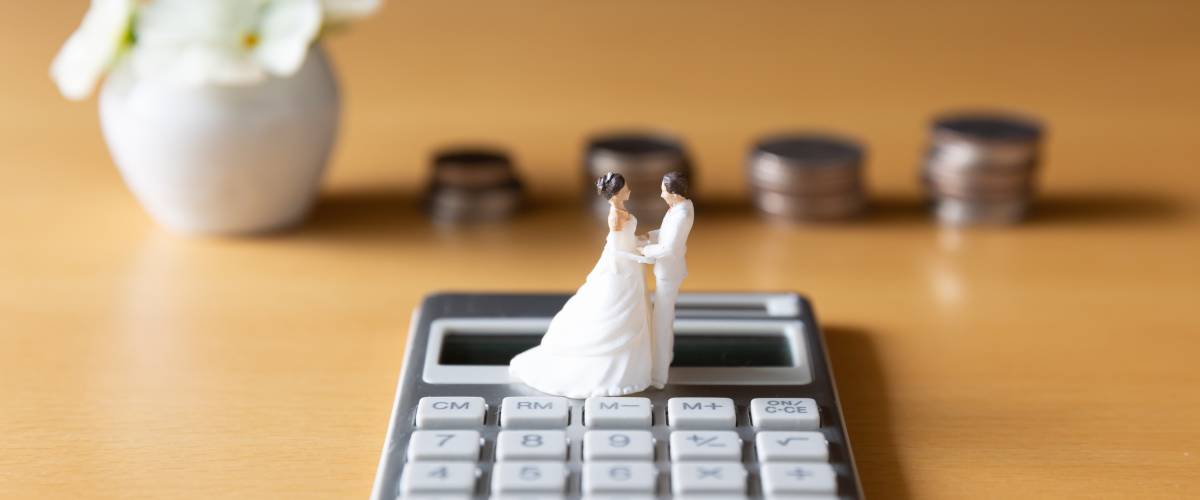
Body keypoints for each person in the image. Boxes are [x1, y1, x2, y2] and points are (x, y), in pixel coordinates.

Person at [508, 172, 654, 398]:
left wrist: (641, 242)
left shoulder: (622, 211)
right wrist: (638, 254)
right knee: (619, 309)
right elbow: (616, 244)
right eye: (626, 188)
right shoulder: (616, 214)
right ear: (617, 192)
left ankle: (631, 370)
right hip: (621, 266)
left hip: (629, 264)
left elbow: (625, 240)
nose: (629, 190)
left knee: (632, 310)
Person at [637, 172, 694, 388]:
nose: (661, 195)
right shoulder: (679, 208)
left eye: (663, 191)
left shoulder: (682, 215)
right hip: (667, 270)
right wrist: (647, 237)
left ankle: (659, 374)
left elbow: (669, 248)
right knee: (662, 319)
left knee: (661, 322)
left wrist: (644, 250)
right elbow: (666, 233)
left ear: (674, 193)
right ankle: (663, 360)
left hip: (669, 272)